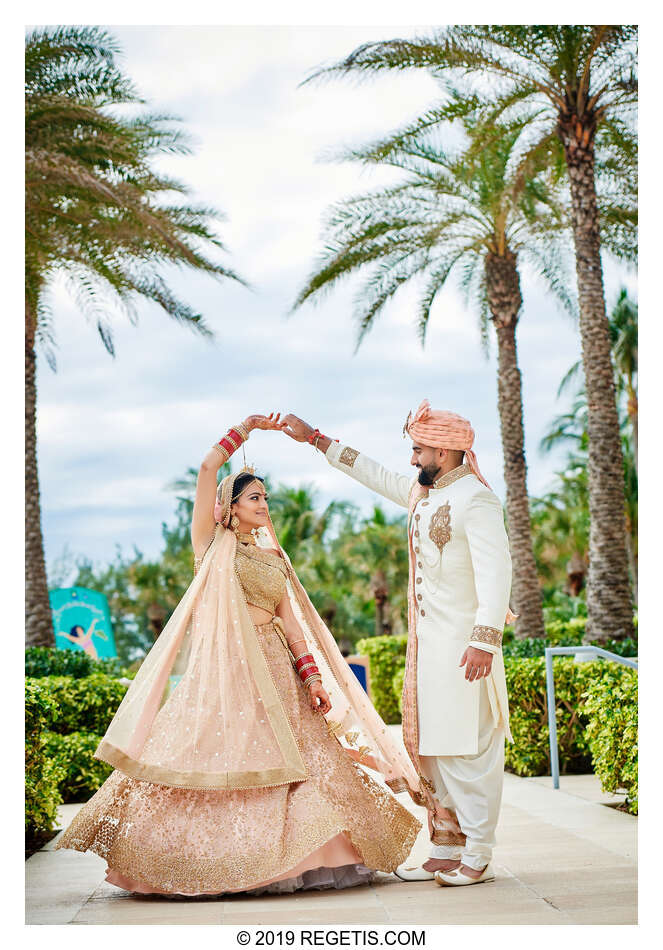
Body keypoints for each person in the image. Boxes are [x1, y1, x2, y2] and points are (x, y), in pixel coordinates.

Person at [57, 413, 421, 897]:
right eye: (255, 497)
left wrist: (311, 677)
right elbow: (208, 469)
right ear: (229, 507)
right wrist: (243, 431)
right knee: (221, 757)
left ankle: (310, 859)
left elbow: (291, 621)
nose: (264, 504)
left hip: (279, 675)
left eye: (266, 497)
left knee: (305, 763)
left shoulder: (274, 558)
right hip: (228, 675)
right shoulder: (210, 546)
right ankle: (203, 861)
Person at [280, 401, 514, 887]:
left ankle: (481, 851)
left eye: (419, 449)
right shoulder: (423, 496)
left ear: (446, 452)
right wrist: (315, 438)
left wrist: (484, 641)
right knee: (433, 748)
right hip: (429, 650)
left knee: (466, 750)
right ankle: (449, 842)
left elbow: (498, 575)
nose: (412, 460)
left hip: (468, 649)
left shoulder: (477, 500)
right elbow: (375, 474)